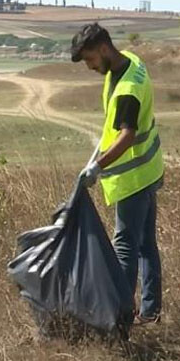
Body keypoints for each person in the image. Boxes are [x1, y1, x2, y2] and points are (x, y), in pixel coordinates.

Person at [71, 23, 165, 325]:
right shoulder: (129, 63)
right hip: (148, 169)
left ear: (102, 49)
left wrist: (99, 166)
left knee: (125, 248)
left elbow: (126, 136)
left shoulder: (127, 89)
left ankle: (120, 321)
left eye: (90, 60)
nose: (90, 67)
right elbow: (114, 126)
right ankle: (151, 313)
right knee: (146, 245)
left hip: (133, 177)